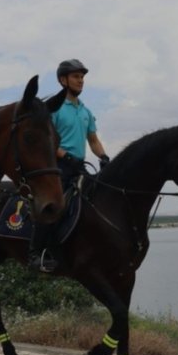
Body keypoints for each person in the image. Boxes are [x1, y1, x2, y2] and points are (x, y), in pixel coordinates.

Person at [27, 59, 110, 273]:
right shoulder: (54, 108)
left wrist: (103, 156)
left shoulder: (86, 111)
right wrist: (66, 156)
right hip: (58, 167)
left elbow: (93, 140)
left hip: (79, 167)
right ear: (62, 80)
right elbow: (47, 140)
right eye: (76, 76)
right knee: (52, 205)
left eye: (82, 77)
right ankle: (36, 253)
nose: (81, 80)